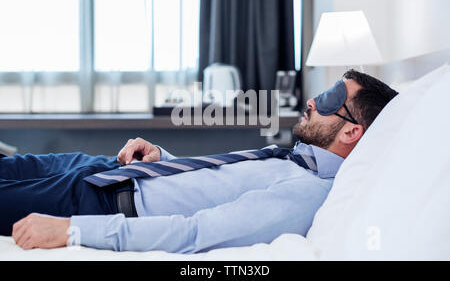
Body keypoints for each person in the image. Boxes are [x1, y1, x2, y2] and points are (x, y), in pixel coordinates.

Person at [1, 70, 398, 253]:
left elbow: (194, 232)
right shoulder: (297, 160)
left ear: (351, 132)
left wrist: (72, 231)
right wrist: (162, 159)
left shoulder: (306, 193)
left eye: (329, 99)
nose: (312, 101)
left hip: (99, 202)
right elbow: (212, 182)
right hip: (107, 168)